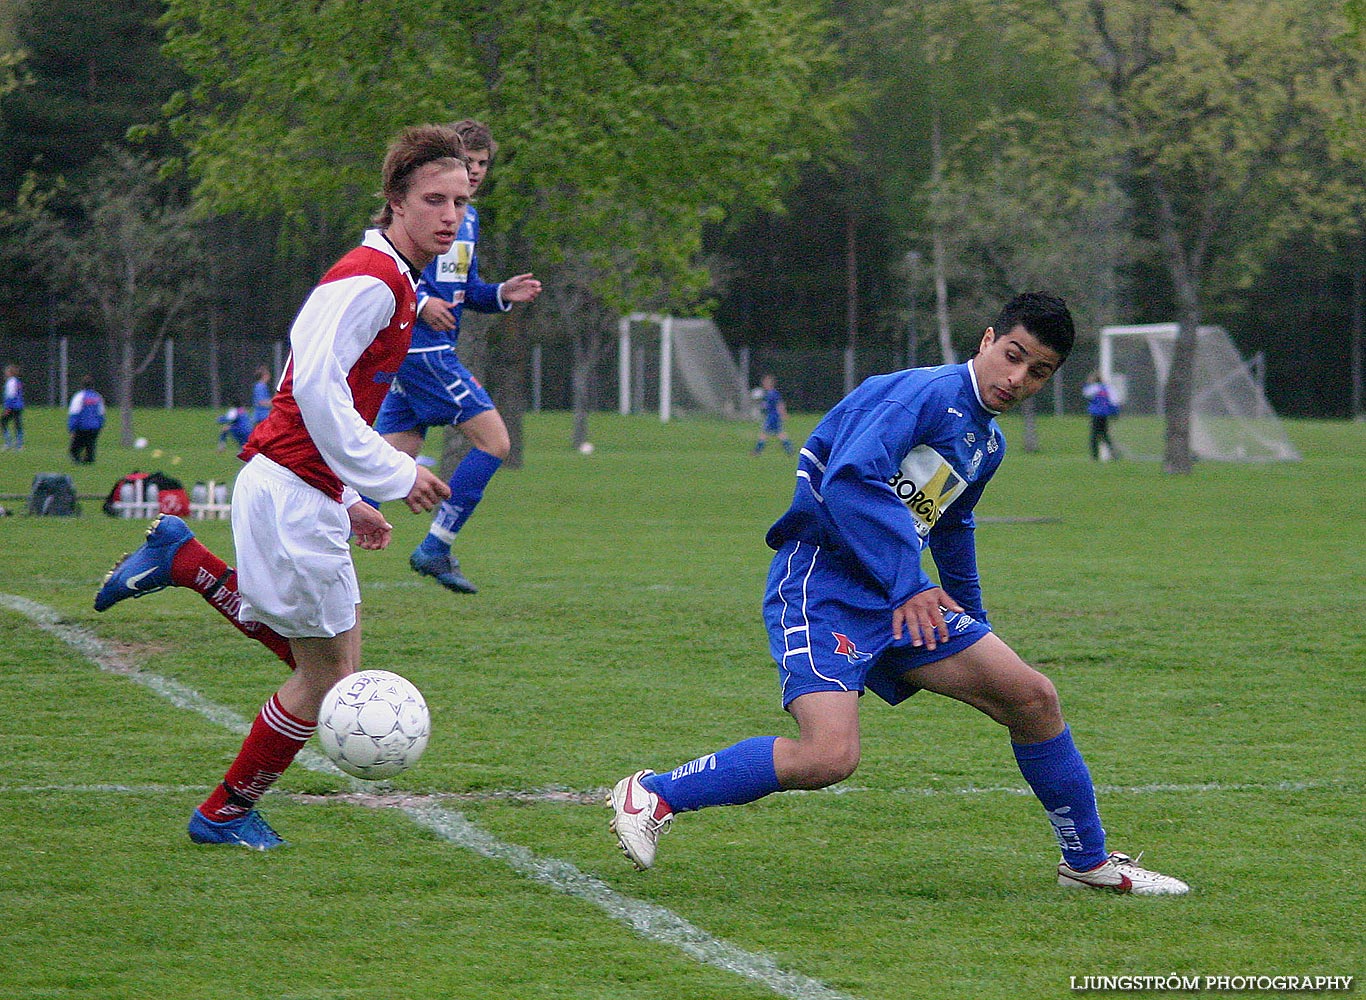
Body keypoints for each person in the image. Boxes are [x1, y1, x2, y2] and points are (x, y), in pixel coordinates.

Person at [607, 292, 1189, 896]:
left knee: (1032, 697)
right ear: (987, 340)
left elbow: (952, 527)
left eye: (1038, 372)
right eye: (1013, 356)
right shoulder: (923, 394)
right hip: (824, 586)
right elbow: (850, 480)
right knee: (829, 758)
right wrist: (910, 584)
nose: (1017, 379)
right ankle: (653, 793)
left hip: (899, 599)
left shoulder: (987, 443)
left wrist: (976, 621)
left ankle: (1087, 863)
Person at [94, 124, 467, 849]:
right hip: (293, 490)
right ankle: (224, 811)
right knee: (327, 676)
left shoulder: (395, 277)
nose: (449, 215)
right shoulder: (371, 278)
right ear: (395, 200)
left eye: (459, 200)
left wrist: (350, 498)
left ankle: (187, 562)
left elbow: (316, 395)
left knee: (331, 665)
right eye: (433, 199)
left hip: (301, 487)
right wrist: (393, 475)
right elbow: (318, 393)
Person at [375, 118, 542, 595]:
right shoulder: (411, 213)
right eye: (467, 162)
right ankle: (435, 546)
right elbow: (389, 262)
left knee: (389, 457)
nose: (474, 172)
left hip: (428, 350)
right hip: (421, 349)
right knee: (495, 442)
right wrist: (421, 301)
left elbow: (466, 291)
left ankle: (321, 531)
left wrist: (502, 294)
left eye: (482, 164)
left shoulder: (467, 219)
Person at [751, 373, 793, 456]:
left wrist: (783, 413)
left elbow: (780, 404)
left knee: (764, 433)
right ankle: (789, 449)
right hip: (771, 416)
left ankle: (757, 451)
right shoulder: (768, 393)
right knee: (779, 433)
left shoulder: (773, 393)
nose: (764, 384)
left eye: (766, 382)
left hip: (772, 417)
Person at [1082, 371, 1119, 461]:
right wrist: (1115, 413)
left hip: (1096, 414)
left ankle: (1095, 456)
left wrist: (1088, 383)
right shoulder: (1108, 388)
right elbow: (1114, 400)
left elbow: (1085, 393)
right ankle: (1114, 454)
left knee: (1094, 435)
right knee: (1105, 435)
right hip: (1105, 414)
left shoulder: (1093, 388)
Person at [67, 377, 106, 463]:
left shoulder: (79, 396)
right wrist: (100, 425)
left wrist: (71, 428)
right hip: (95, 426)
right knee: (90, 446)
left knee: (75, 448)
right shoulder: (97, 396)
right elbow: (101, 413)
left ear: (82, 385)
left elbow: (74, 413)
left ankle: (78, 461)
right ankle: (89, 461)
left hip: (82, 426)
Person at [1, 364, 23, 450]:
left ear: (10, 373)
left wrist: (8, 407)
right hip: (18, 405)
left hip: (12, 406)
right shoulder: (17, 381)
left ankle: (8, 442)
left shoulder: (11, 382)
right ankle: (19, 444)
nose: (5, 373)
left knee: (3, 422)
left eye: (7, 371)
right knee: (17, 424)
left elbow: (11, 395)